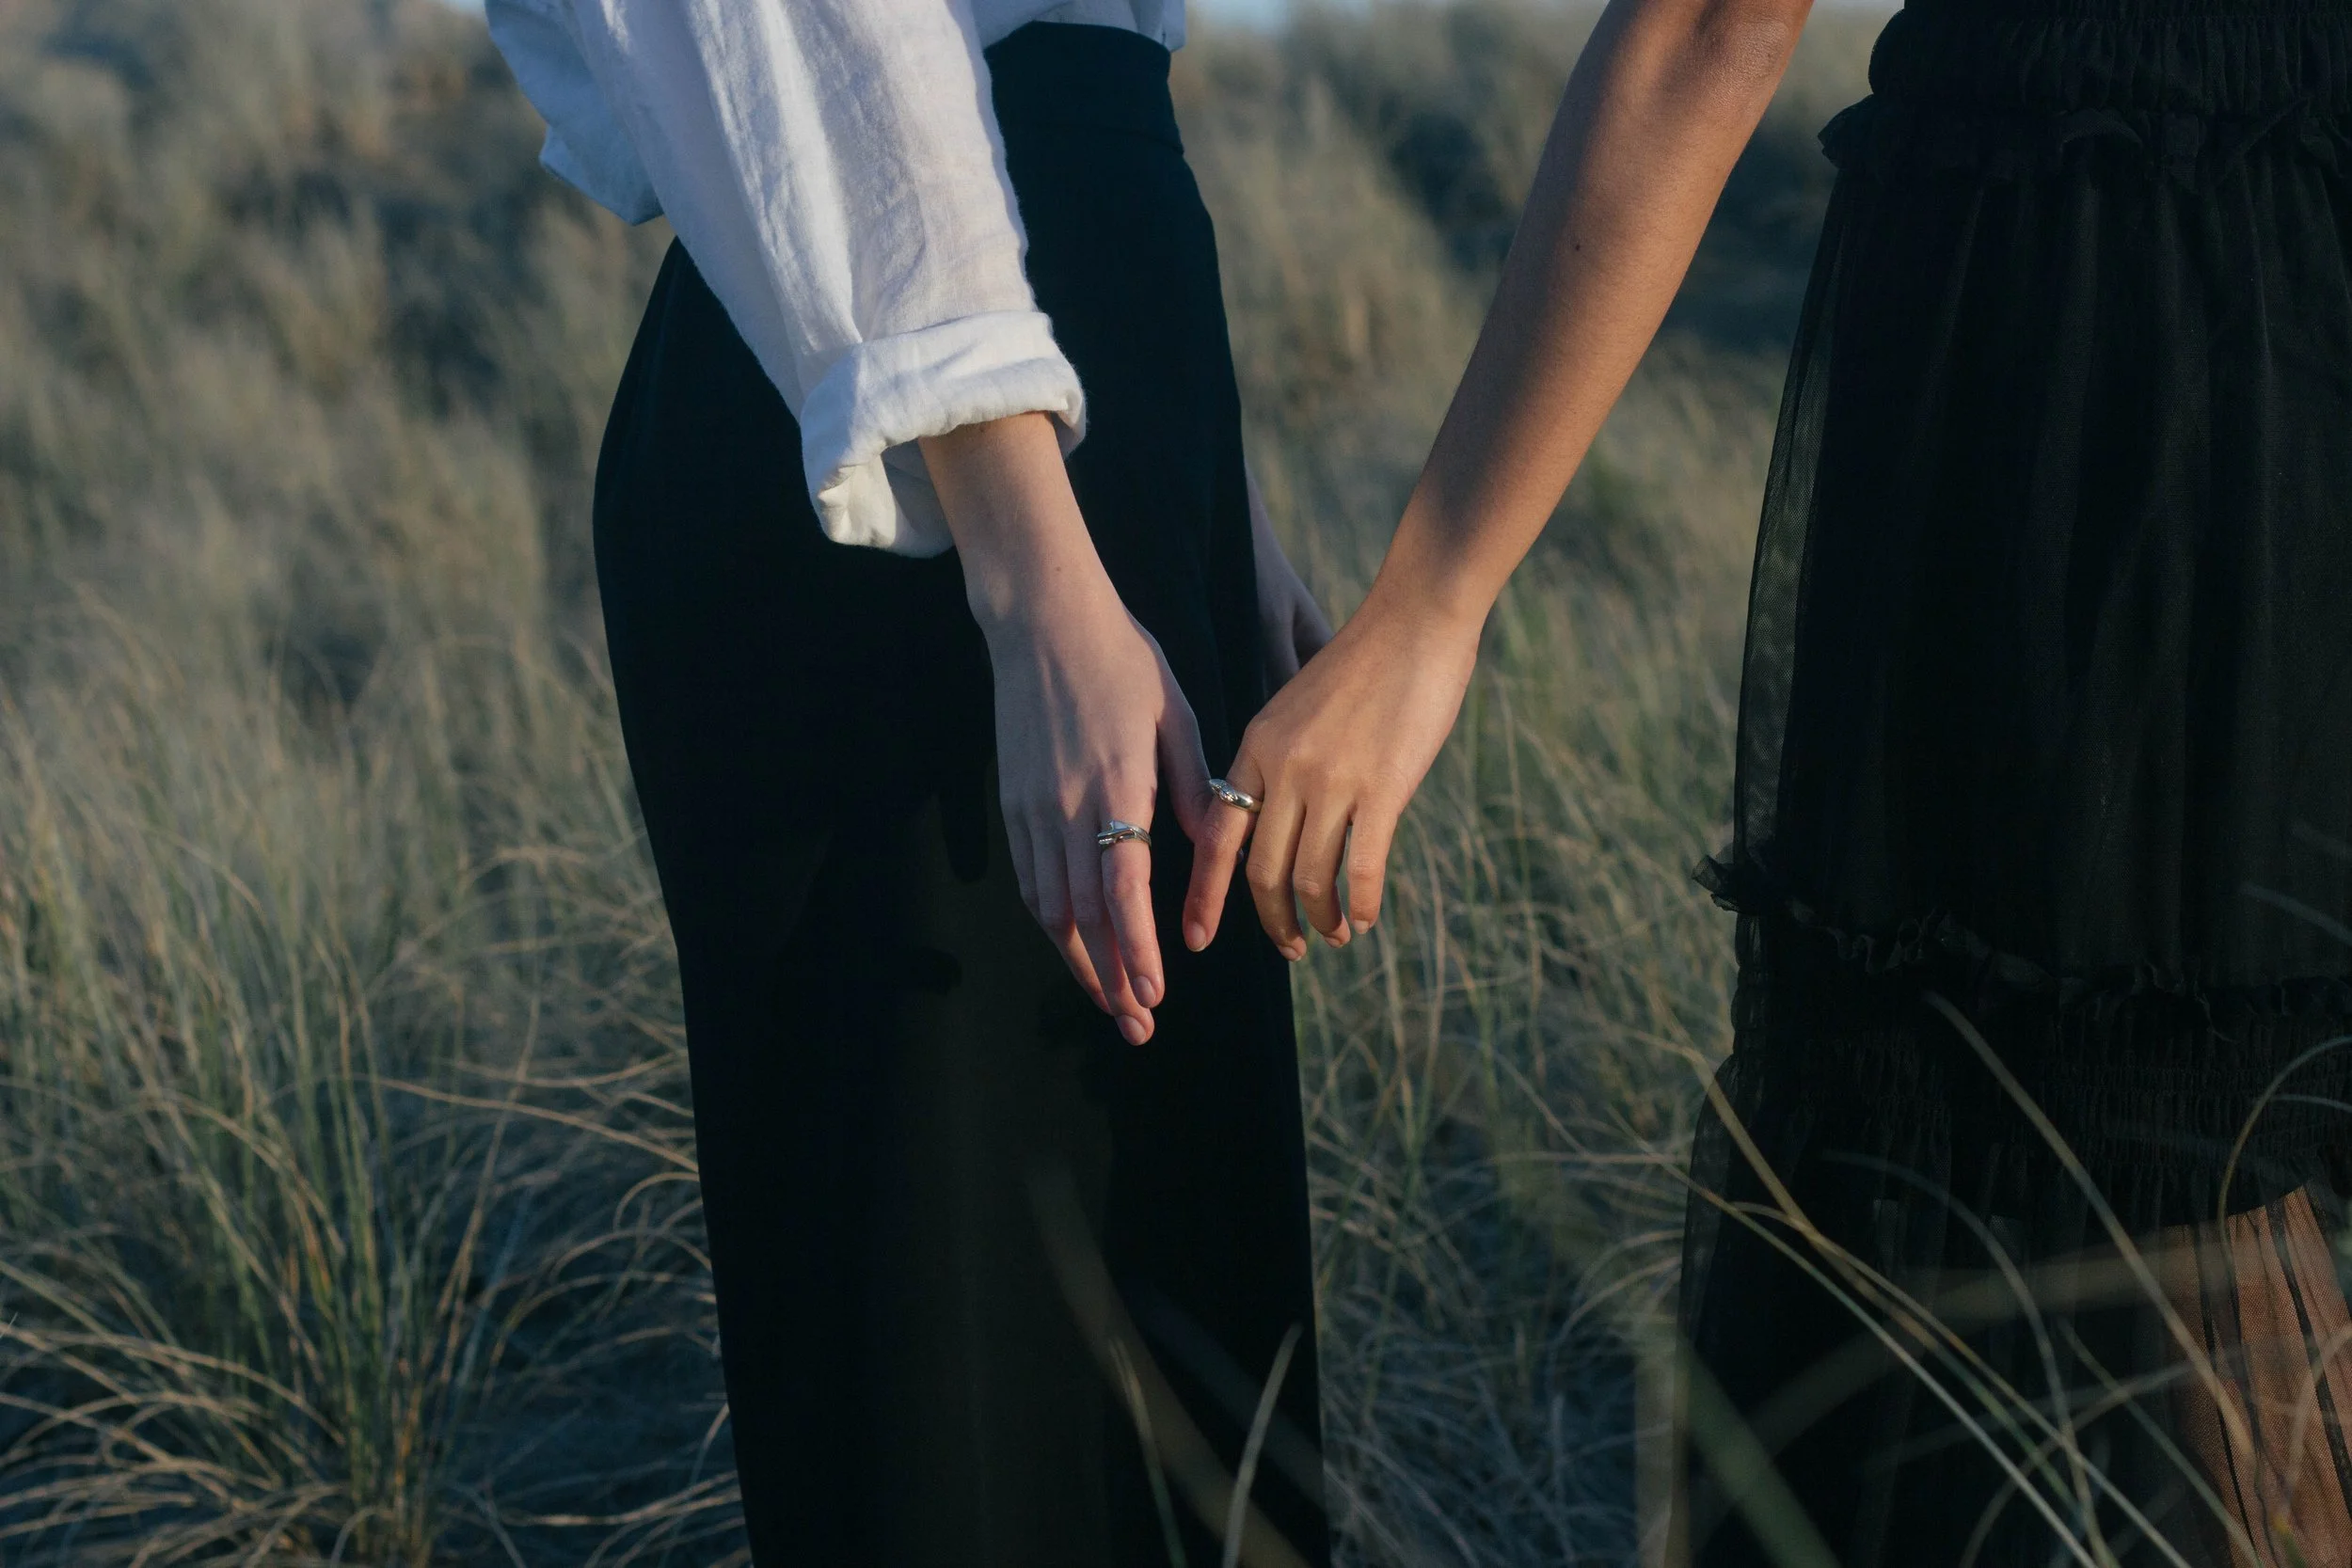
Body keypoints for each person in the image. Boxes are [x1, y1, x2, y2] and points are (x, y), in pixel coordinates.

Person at [1187, 0, 2352, 1560]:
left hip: (2092, 316)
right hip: (2285, 244)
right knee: (2210, 1115)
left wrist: (1432, 602)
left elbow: (1711, 23)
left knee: (2073, 1138)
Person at [483, 4, 1335, 1564]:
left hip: (1056, 373)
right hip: (928, 453)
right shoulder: (1005, 534)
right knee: (954, 1368)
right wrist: (1029, 569)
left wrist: (1220, 500)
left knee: (1170, 1324)